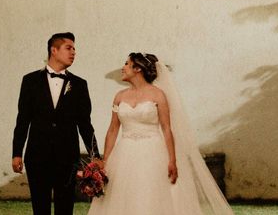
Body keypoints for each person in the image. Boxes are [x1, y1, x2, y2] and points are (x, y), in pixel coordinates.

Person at [88, 53, 232, 215]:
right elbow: (113, 130)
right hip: (124, 153)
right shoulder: (119, 97)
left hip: (152, 153)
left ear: (138, 69)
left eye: (127, 64)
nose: (123, 68)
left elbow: (166, 128)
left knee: (148, 194)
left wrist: (172, 160)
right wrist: (106, 160)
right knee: (122, 195)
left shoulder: (158, 95)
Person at [12, 32, 99, 215]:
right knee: (40, 207)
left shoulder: (79, 84)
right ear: (54, 50)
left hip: (67, 157)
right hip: (37, 155)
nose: (73, 52)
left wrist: (95, 155)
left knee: (65, 207)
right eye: (69, 48)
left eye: (75, 49)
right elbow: (23, 119)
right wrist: (17, 153)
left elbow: (85, 124)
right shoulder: (30, 81)